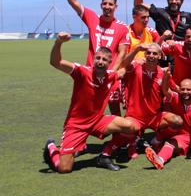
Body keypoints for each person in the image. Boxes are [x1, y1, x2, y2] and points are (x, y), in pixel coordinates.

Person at [43, 32, 139, 173]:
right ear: (94, 59)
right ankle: (52, 147)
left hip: (96, 121)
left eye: (105, 60)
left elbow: (123, 69)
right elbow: (55, 62)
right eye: (98, 58)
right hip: (76, 125)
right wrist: (58, 42)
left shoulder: (110, 76)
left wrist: (136, 55)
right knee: (64, 168)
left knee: (132, 127)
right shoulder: (82, 72)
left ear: (109, 63)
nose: (100, 61)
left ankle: (105, 154)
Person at [99, 43, 184, 169]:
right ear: (145, 54)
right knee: (128, 130)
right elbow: (123, 65)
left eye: (154, 53)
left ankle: (156, 140)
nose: (151, 55)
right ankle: (105, 154)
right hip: (135, 116)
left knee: (177, 121)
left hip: (154, 117)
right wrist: (136, 49)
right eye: (148, 53)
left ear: (159, 56)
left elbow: (175, 88)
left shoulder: (163, 72)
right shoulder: (136, 66)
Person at [60, 0, 130, 116]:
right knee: (86, 106)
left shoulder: (122, 27)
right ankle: (82, 133)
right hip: (91, 73)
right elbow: (73, 1)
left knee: (114, 107)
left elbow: (122, 52)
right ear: (101, 5)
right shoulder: (92, 18)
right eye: (104, 4)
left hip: (110, 75)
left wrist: (112, 73)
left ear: (115, 7)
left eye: (111, 4)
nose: (107, 6)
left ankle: (120, 138)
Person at [144, 76, 191, 170]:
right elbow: (165, 90)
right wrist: (167, 76)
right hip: (184, 137)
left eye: (188, 89)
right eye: (182, 89)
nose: (185, 92)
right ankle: (159, 159)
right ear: (179, 89)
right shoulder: (176, 98)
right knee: (171, 143)